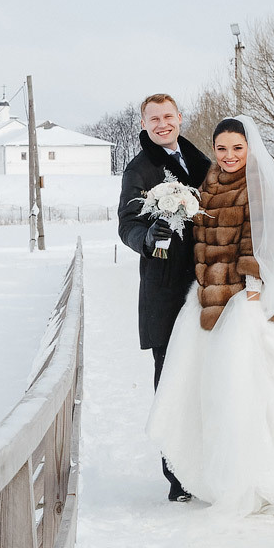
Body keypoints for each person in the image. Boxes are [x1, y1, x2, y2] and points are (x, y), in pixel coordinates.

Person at [146, 116, 274, 517]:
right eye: (222, 148)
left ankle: (254, 477)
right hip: (208, 300)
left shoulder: (255, 184)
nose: (229, 155)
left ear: (249, 148)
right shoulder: (210, 180)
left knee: (242, 392)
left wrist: (252, 286)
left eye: (237, 148)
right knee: (209, 393)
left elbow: (258, 239)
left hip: (240, 302)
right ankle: (217, 475)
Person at [117, 93, 212, 501]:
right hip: (166, 290)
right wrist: (147, 237)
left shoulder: (200, 161)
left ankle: (208, 466)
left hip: (207, 285)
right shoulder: (139, 169)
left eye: (168, 116)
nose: (162, 124)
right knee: (171, 381)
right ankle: (178, 478)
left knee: (207, 376)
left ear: (179, 118)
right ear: (144, 123)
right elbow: (126, 224)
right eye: (153, 119)